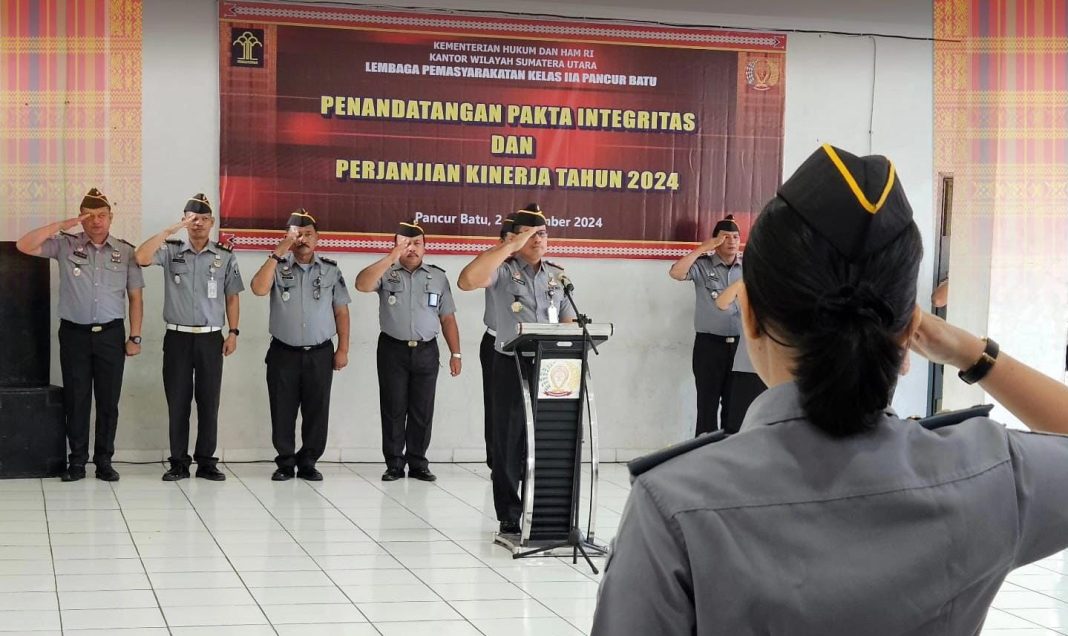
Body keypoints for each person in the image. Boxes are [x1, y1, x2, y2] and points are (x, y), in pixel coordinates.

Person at [592, 144, 1068, 635]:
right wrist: (973, 355)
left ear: (750, 315)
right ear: (911, 330)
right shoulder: (989, 473)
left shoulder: (675, 505)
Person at [457, 204, 575, 535]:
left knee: (548, 439)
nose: (539, 239)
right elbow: (467, 281)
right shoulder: (504, 270)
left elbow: (566, 318)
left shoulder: (556, 275)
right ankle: (509, 513)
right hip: (510, 361)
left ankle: (546, 509)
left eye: (543, 234)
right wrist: (509, 246)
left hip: (552, 368)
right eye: (531, 234)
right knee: (508, 439)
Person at [15, 188, 144, 482]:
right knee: (77, 399)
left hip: (111, 335)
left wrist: (135, 337)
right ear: (82, 219)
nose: (96, 221)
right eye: (89, 216)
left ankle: (104, 461)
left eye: (101, 215)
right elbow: (24, 245)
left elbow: (135, 298)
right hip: (74, 334)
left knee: (108, 402)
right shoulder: (65, 245)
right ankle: (76, 462)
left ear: (111, 217)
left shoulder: (125, 252)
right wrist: (64, 223)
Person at [135, 194, 244, 481]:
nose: (197, 224)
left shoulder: (224, 256)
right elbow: (141, 257)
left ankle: (206, 461)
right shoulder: (171, 250)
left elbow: (232, 297)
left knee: (209, 402)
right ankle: (179, 463)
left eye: (203, 219)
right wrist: (170, 230)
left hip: (211, 338)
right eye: (191, 219)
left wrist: (233, 332)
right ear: (185, 220)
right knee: (178, 402)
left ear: (212, 222)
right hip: (178, 339)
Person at [355, 221, 461, 482]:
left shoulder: (437, 276)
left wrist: (455, 353)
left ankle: (418, 462)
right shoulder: (386, 271)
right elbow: (362, 284)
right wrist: (391, 256)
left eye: (417, 244)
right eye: (405, 243)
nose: (411, 248)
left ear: (425, 248)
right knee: (393, 408)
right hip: (393, 349)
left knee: (422, 409)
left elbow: (447, 318)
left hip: (427, 350)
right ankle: (393, 463)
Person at [249, 210, 351, 482]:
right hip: (284, 352)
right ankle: (285, 462)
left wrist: (343, 349)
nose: (303, 239)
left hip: (320, 352)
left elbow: (341, 311)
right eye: (297, 234)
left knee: (317, 409)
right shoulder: (277, 265)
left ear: (318, 238)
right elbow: (258, 289)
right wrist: (278, 251)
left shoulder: (330, 269)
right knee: (282, 408)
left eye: (308, 234)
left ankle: (308, 461)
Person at [669, 214, 743, 436]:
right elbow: (676, 272)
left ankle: (728, 456)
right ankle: (703, 456)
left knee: (735, 408)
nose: (731, 241)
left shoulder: (748, 267)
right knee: (707, 406)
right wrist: (703, 248)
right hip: (709, 345)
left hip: (741, 348)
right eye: (725, 237)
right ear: (715, 241)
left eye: (736, 237)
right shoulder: (703, 266)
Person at [479, 214, 516, 469]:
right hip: (496, 345)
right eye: (512, 239)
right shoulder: (495, 266)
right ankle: (497, 463)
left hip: (532, 349)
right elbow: (470, 279)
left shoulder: (545, 271)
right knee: (496, 408)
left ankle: (524, 460)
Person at [715, 280, 766, 434]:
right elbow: (721, 303)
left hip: (775, 371)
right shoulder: (749, 293)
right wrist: (744, 280)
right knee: (737, 426)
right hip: (746, 368)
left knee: (766, 426)